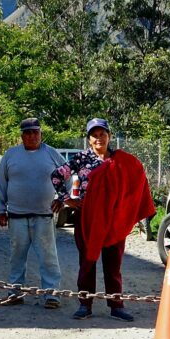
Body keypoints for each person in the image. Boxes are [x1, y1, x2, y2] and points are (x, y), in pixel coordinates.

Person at [51, 118, 155, 322]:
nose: (99, 138)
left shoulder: (122, 160)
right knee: (87, 261)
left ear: (109, 136)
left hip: (115, 218)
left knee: (113, 263)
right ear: (89, 139)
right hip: (88, 217)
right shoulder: (81, 158)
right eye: (94, 135)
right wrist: (68, 200)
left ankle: (116, 305)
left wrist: (131, 209)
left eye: (102, 134)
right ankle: (85, 304)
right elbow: (56, 176)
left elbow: (137, 180)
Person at [0, 118, 66, 309]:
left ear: (41, 134)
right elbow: (1, 183)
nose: (32, 136)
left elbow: (67, 174)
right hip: (17, 215)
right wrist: (0, 209)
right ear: (22, 136)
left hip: (44, 215)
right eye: (27, 133)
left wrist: (62, 197)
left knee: (48, 256)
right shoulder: (11, 155)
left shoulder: (51, 153)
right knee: (17, 255)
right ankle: (15, 292)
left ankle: (52, 294)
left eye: (35, 132)